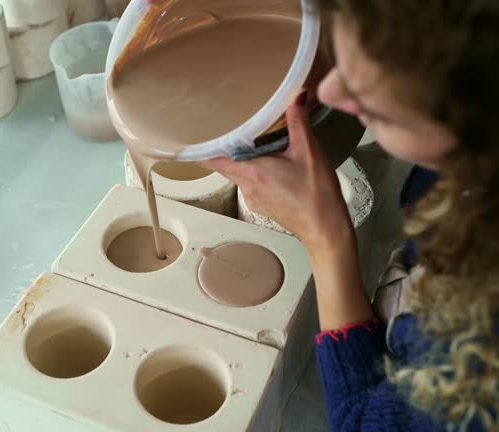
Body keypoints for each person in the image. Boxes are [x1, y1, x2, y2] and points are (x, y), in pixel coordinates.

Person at [199, 1, 498, 431]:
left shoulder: (478, 356)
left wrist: (325, 237)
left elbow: (364, 423)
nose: (331, 93)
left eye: (379, 109)